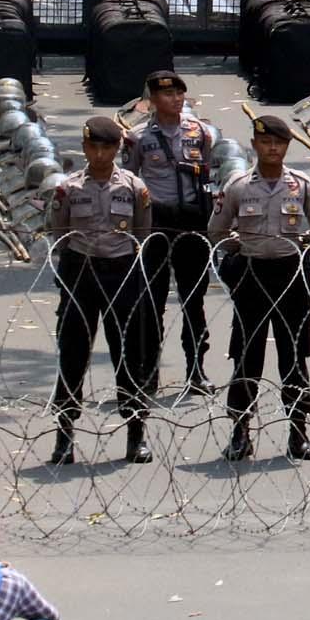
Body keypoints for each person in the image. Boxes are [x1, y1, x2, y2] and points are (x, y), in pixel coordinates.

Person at [210, 114, 310, 461]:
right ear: (255, 145)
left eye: (278, 142)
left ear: (287, 146)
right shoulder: (238, 185)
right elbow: (216, 230)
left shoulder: (302, 185)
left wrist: (301, 249)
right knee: (246, 356)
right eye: (265, 142)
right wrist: (238, 248)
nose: (272, 148)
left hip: (290, 275)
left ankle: (298, 433)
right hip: (252, 275)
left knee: (294, 357)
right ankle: (240, 431)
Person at [46, 118, 153, 466]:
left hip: (120, 272)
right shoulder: (69, 189)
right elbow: (59, 231)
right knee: (73, 352)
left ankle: (135, 433)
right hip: (81, 271)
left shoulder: (134, 188)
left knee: (128, 352)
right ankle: (64, 435)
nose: (100, 154)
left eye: (107, 148)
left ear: (117, 150)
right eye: (93, 147)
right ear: (84, 148)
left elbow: (142, 231)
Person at [123, 69, 218, 394]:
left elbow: (206, 171)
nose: (175, 99)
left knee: (194, 299)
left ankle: (197, 369)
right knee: (152, 299)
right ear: (152, 100)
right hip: (157, 221)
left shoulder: (200, 132)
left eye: (179, 93)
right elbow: (129, 179)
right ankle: (149, 370)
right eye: (167, 94)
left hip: (192, 220)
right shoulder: (138, 138)